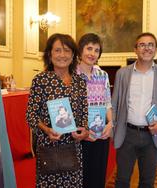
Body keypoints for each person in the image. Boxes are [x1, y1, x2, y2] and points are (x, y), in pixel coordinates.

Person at [112, 32, 157, 188]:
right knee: (121, 181)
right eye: (142, 45)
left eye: (151, 45)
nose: (147, 48)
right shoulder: (122, 73)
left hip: (153, 137)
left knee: (147, 182)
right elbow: (114, 104)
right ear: (135, 49)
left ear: (156, 50)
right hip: (126, 135)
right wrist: (113, 128)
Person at [26, 33, 89, 187]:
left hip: (74, 148)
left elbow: (84, 112)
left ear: (73, 55)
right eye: (58, 50)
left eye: (67, 50)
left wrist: (85, 131)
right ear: (49, 54)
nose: (62, 55)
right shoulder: (41, 80)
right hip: (49, 146)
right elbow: (31, 115)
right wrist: (47, 130)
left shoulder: (80, 81)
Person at [76, 33, 113, 188]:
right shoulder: (71, 75)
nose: (92, 53)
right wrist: (81, 131)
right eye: (89, 48)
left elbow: (107, 104)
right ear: (80, 50)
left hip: (100, 133)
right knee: (80, 178)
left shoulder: (102, 75)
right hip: (79, 135)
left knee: (98, 176)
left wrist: (111, 123)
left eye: (96, 50)